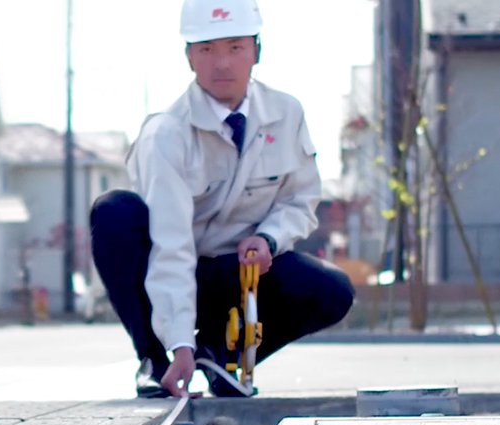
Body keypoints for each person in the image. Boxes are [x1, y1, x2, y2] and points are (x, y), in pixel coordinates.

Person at [90, 0, 355, 399]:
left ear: (256, 51)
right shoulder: (166, 133)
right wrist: (179, 342)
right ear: (189, 57)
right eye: (207, 49)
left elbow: (300, 199)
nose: (222, 63)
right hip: (179, 271)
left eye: (235, 47)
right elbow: (171, 243)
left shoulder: (286, 113)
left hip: (242, 272)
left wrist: (269, 238)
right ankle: (153, 361)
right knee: (114, 213)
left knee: (332, 289)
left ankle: (222, 355)